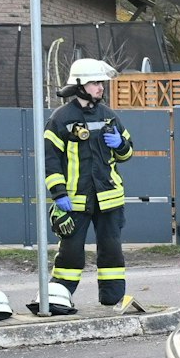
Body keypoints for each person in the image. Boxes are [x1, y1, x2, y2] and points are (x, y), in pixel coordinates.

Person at [44, 58, 134, 306]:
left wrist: (121, 144)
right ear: (80, 85)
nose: (101, 87)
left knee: (111, 251)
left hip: (109, 198)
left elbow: (127, 154)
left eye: (101, 83)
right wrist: (58, 193)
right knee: (71, 253)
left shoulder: (109, 116)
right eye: (95, 83)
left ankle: (112, 299)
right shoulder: (61, 118)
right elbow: (50, 160)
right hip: (75, 199)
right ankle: (58, 299)